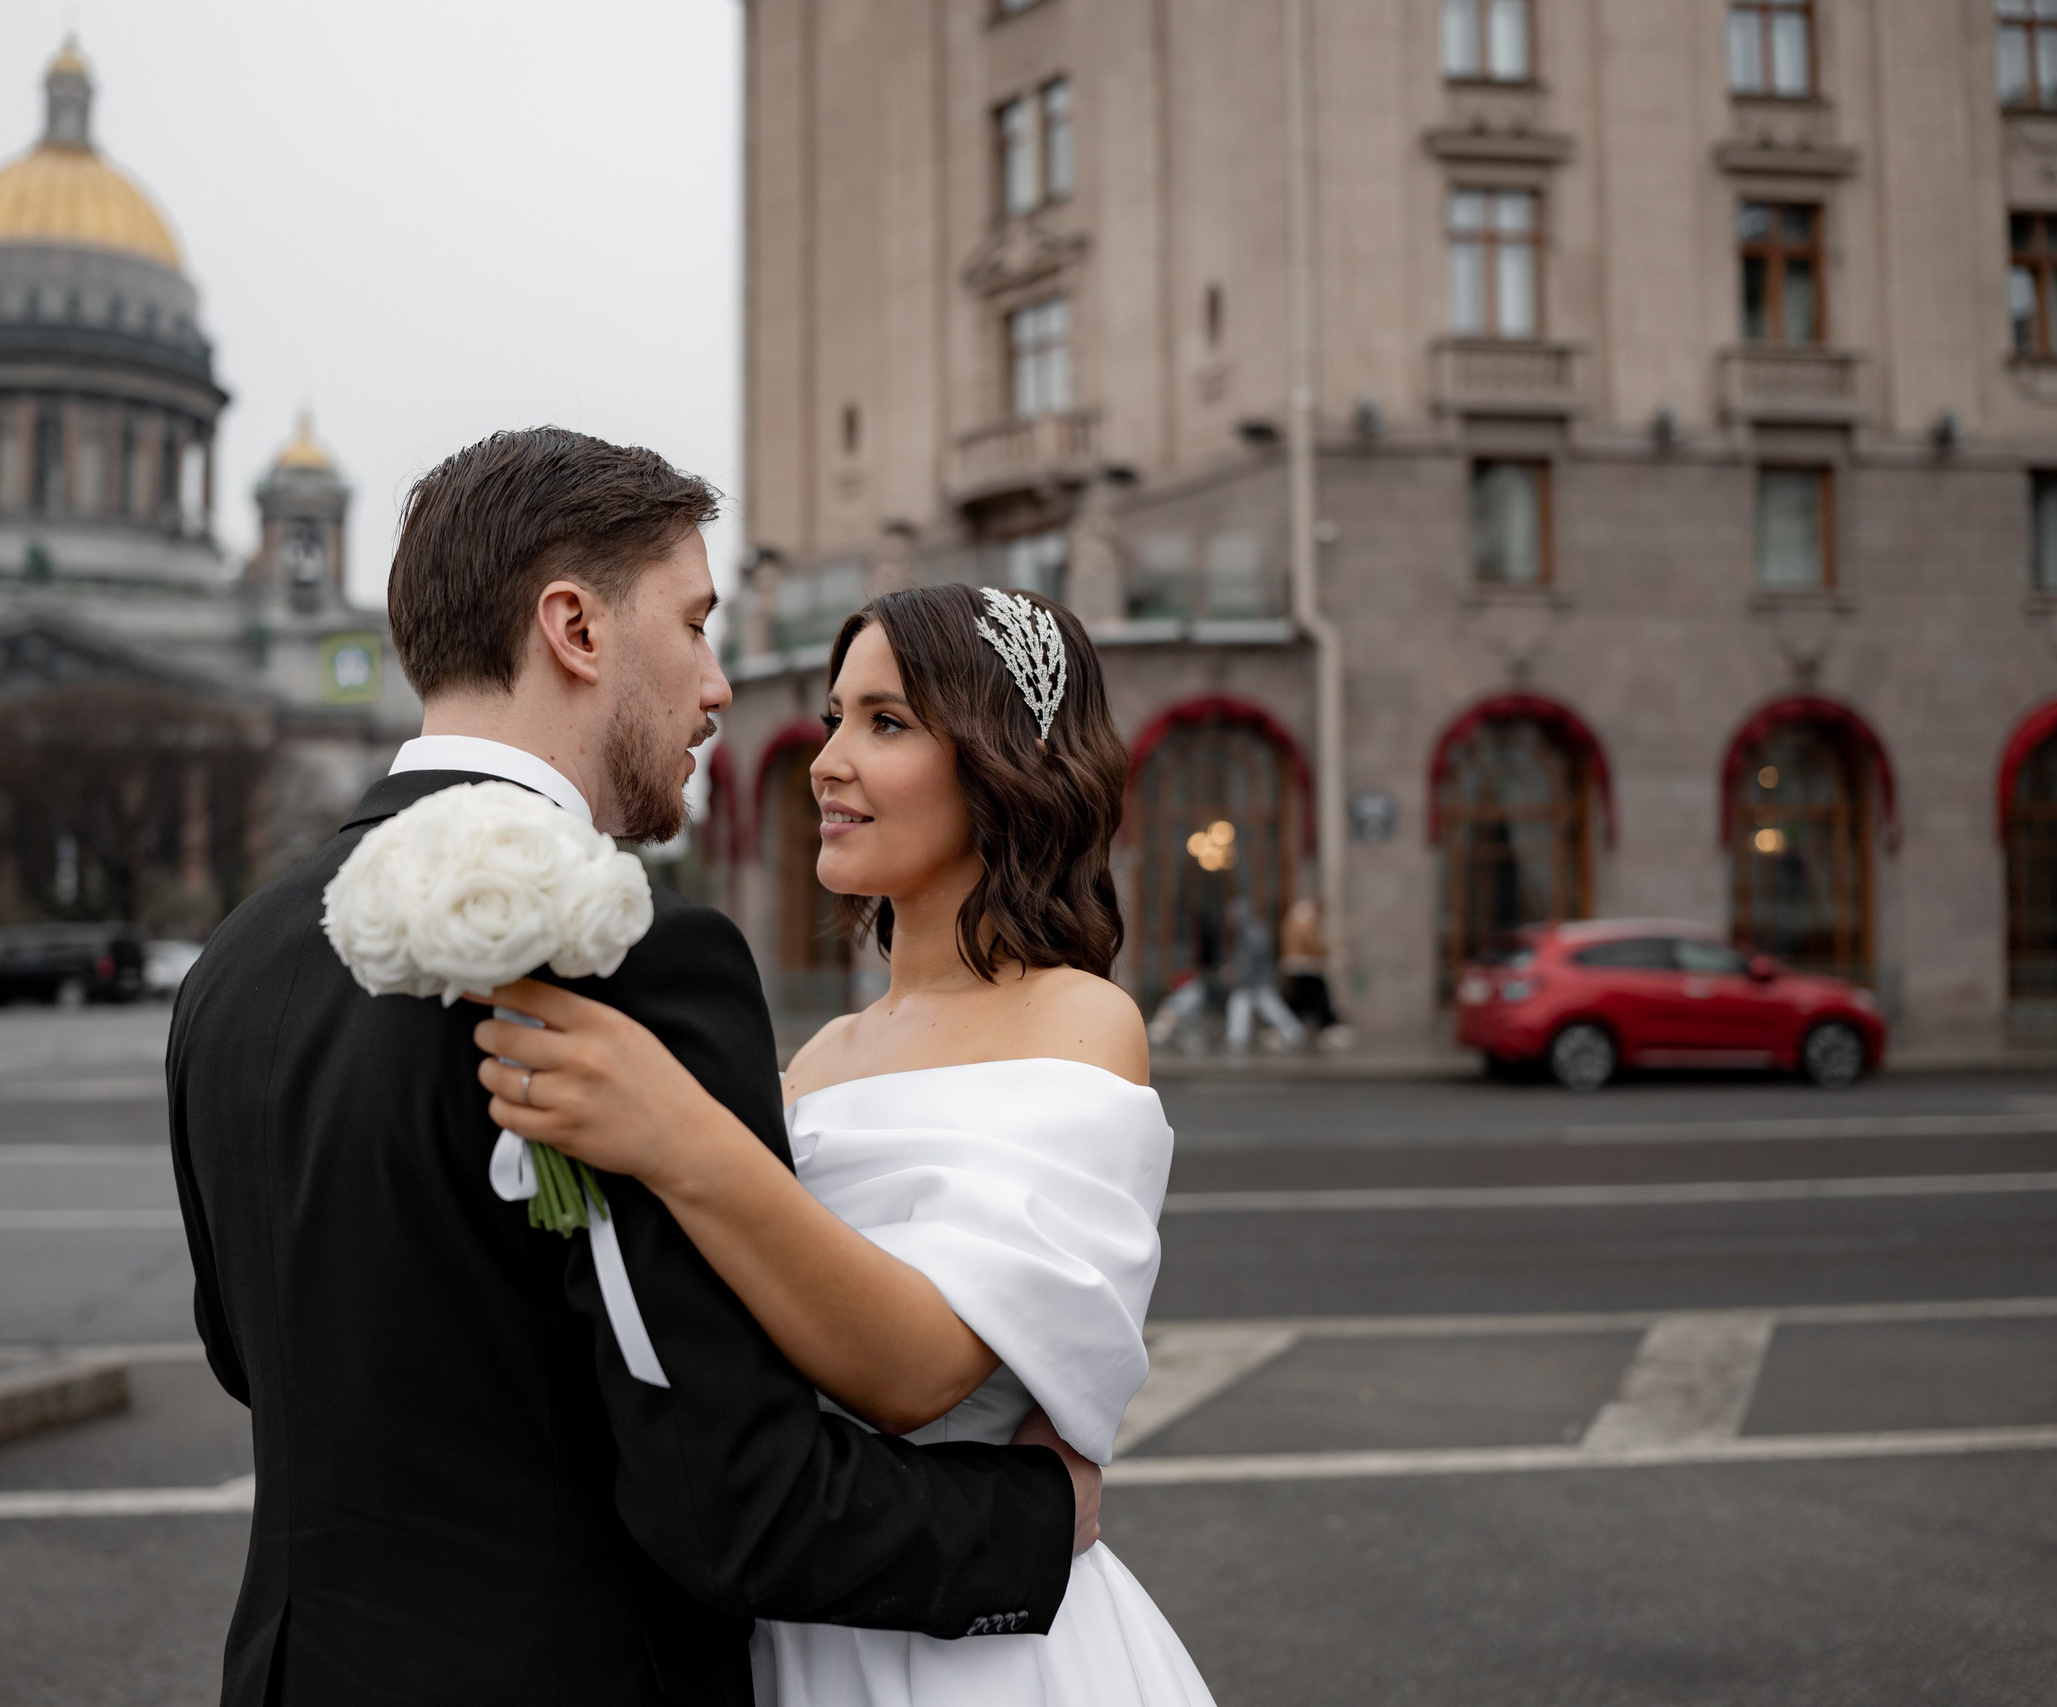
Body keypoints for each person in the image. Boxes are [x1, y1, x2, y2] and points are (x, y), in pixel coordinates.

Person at [167, 430, 1097, 1707]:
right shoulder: (622, 961)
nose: (719, 686)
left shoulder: (237, 962)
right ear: (576, 630)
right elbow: (738, 1503)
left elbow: (245, 1350)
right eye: (696, 624)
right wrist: (1036, 1519)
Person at [480, 583, 1216, 1707]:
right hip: (792, 1620)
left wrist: (674, 1128)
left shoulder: (1076, 1016)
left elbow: (918, 1372)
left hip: (973, 1649)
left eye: (886, 723)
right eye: (834, 718)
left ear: (1000, 761)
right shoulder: (820, 1053)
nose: (827, 760)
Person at [1224, 895, 1304, 1052]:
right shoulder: (1252, 931)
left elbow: (1250, 960)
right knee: (1245, 1005)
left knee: (1265, 1006)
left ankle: (1292, 1031)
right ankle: (1237, 1038)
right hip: (1255, 980)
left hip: (1256, 980)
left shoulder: (1251, 933)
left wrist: (1239, 973)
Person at [1279, 897, 1353, 1048]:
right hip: (1304, 966)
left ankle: (1287, 1026)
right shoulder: (1303, 922)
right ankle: (1328, 1025)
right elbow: (1312, 944)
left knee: (1300, 998)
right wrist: (1328, 952)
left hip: (1299, 966)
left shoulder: (1293, 921)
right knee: (1314, 997)